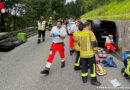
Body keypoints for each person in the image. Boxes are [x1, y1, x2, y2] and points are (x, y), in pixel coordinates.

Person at [77, 21, 101, 86]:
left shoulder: (80, 33)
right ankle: (93, 81)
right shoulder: (90, 33)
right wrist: (95, 50)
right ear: (87, 26)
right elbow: (94, 43)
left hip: (82, 55)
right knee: (92, 67)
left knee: (84, 67)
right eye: (90, 26)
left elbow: (78, 44)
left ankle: (84, 79)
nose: (90, 27)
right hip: (90, 55)